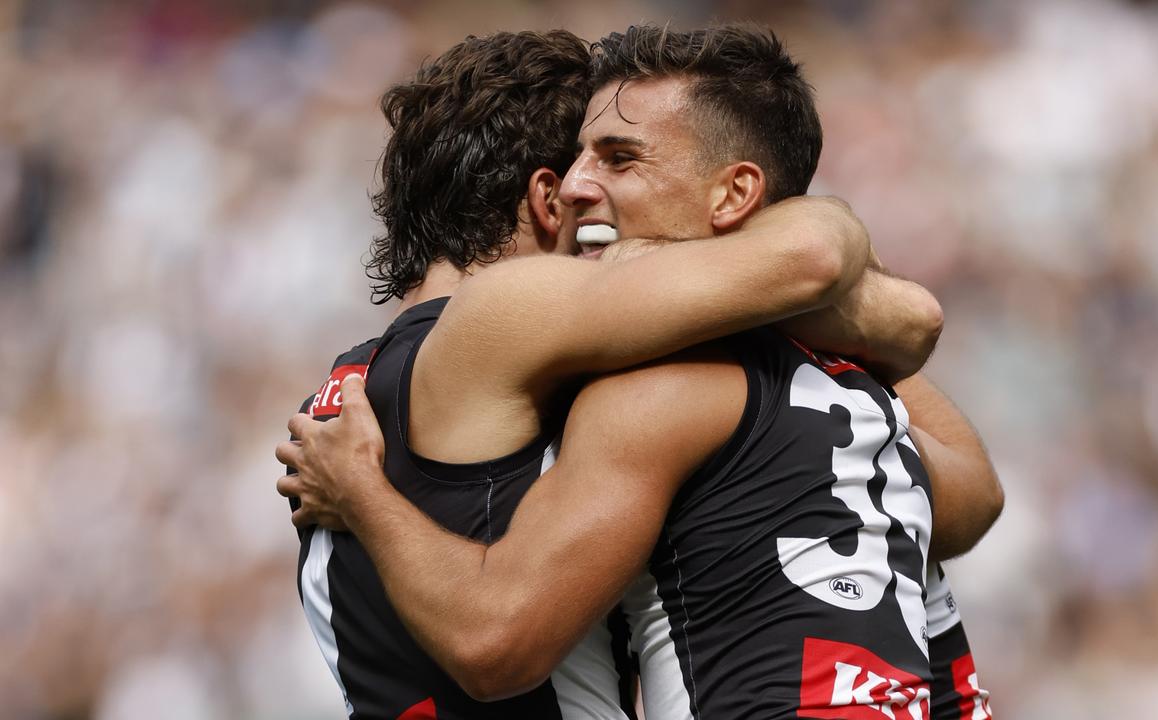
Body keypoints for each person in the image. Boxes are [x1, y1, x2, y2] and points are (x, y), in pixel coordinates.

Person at [280, 25, 999, 720]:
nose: (584, 190)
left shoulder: (349, 390)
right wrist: (820, 239)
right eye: (579, 163)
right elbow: (828, 265)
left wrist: (366, 495)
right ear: (543, 198)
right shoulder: (529, 329)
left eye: (618, 160)